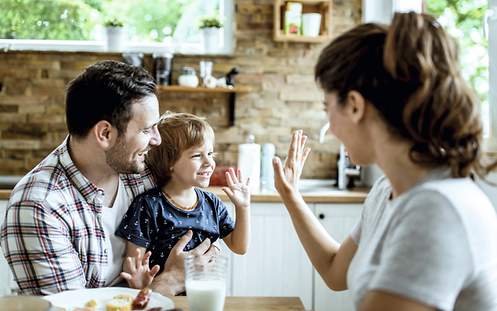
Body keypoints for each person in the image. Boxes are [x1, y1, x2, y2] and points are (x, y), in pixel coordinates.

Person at [272, 12, 497, 311]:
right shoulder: (385, 191)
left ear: (354, 105)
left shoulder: (437, 209)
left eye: (328, 108)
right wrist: (291, 195)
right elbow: (335, 270)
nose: (330, 127)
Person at [0, 60, 218, 296]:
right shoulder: (40, 206)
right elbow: (74, 308)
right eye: (146, 130)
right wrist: (170, 282)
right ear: (105, 133)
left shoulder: (145, 169)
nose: (157, 140)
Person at [114, 112, 251, 289]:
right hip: (163, 296)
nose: (209, 162)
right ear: (169, 162)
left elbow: (239, 247)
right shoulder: (148, 206)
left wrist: (243, 207)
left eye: (210, 153)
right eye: (196, 156)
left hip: (205, 295)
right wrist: (139, 282)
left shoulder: (212, 203)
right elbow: (134, 264)